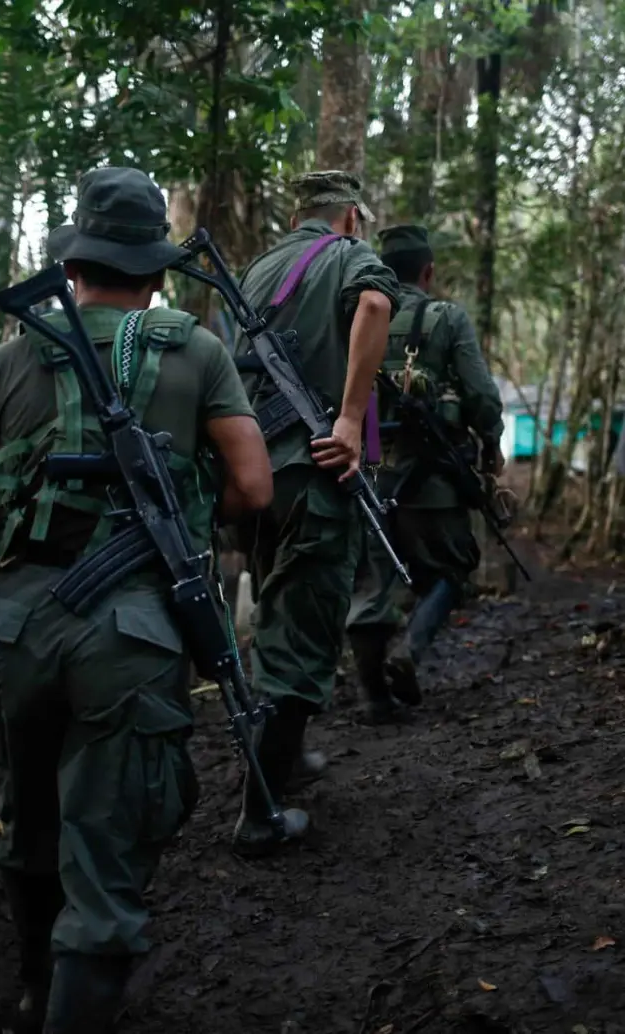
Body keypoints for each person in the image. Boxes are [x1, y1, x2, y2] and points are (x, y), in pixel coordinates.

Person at [0, 166, 275, 1034]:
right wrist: (184, 509)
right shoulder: (196, 350)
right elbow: (256, 489)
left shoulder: (13, 354)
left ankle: (32, 986)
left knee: (28, 822)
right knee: (106, 869)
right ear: (156, 271)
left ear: (74, 267)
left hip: (10, 632)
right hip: (133, 633)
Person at [230, 170, 401, 859]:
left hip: (250, 475)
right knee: (304, 630)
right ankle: (258, 815)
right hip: (314, 469)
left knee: (276, 612)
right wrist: (353, 417)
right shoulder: (348, 256)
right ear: (352, 216)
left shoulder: (257, 267)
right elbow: (375, 308)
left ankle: (288, 758)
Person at [346, 224, 504, 722]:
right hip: (430, 478)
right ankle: (409, 650)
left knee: (374, 585)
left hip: (366, 474)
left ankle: (374, 699)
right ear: (428, 271)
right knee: (452, 568)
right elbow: (479, 393)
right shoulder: (444, 318)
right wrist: (492, 442)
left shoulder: (356, 317)